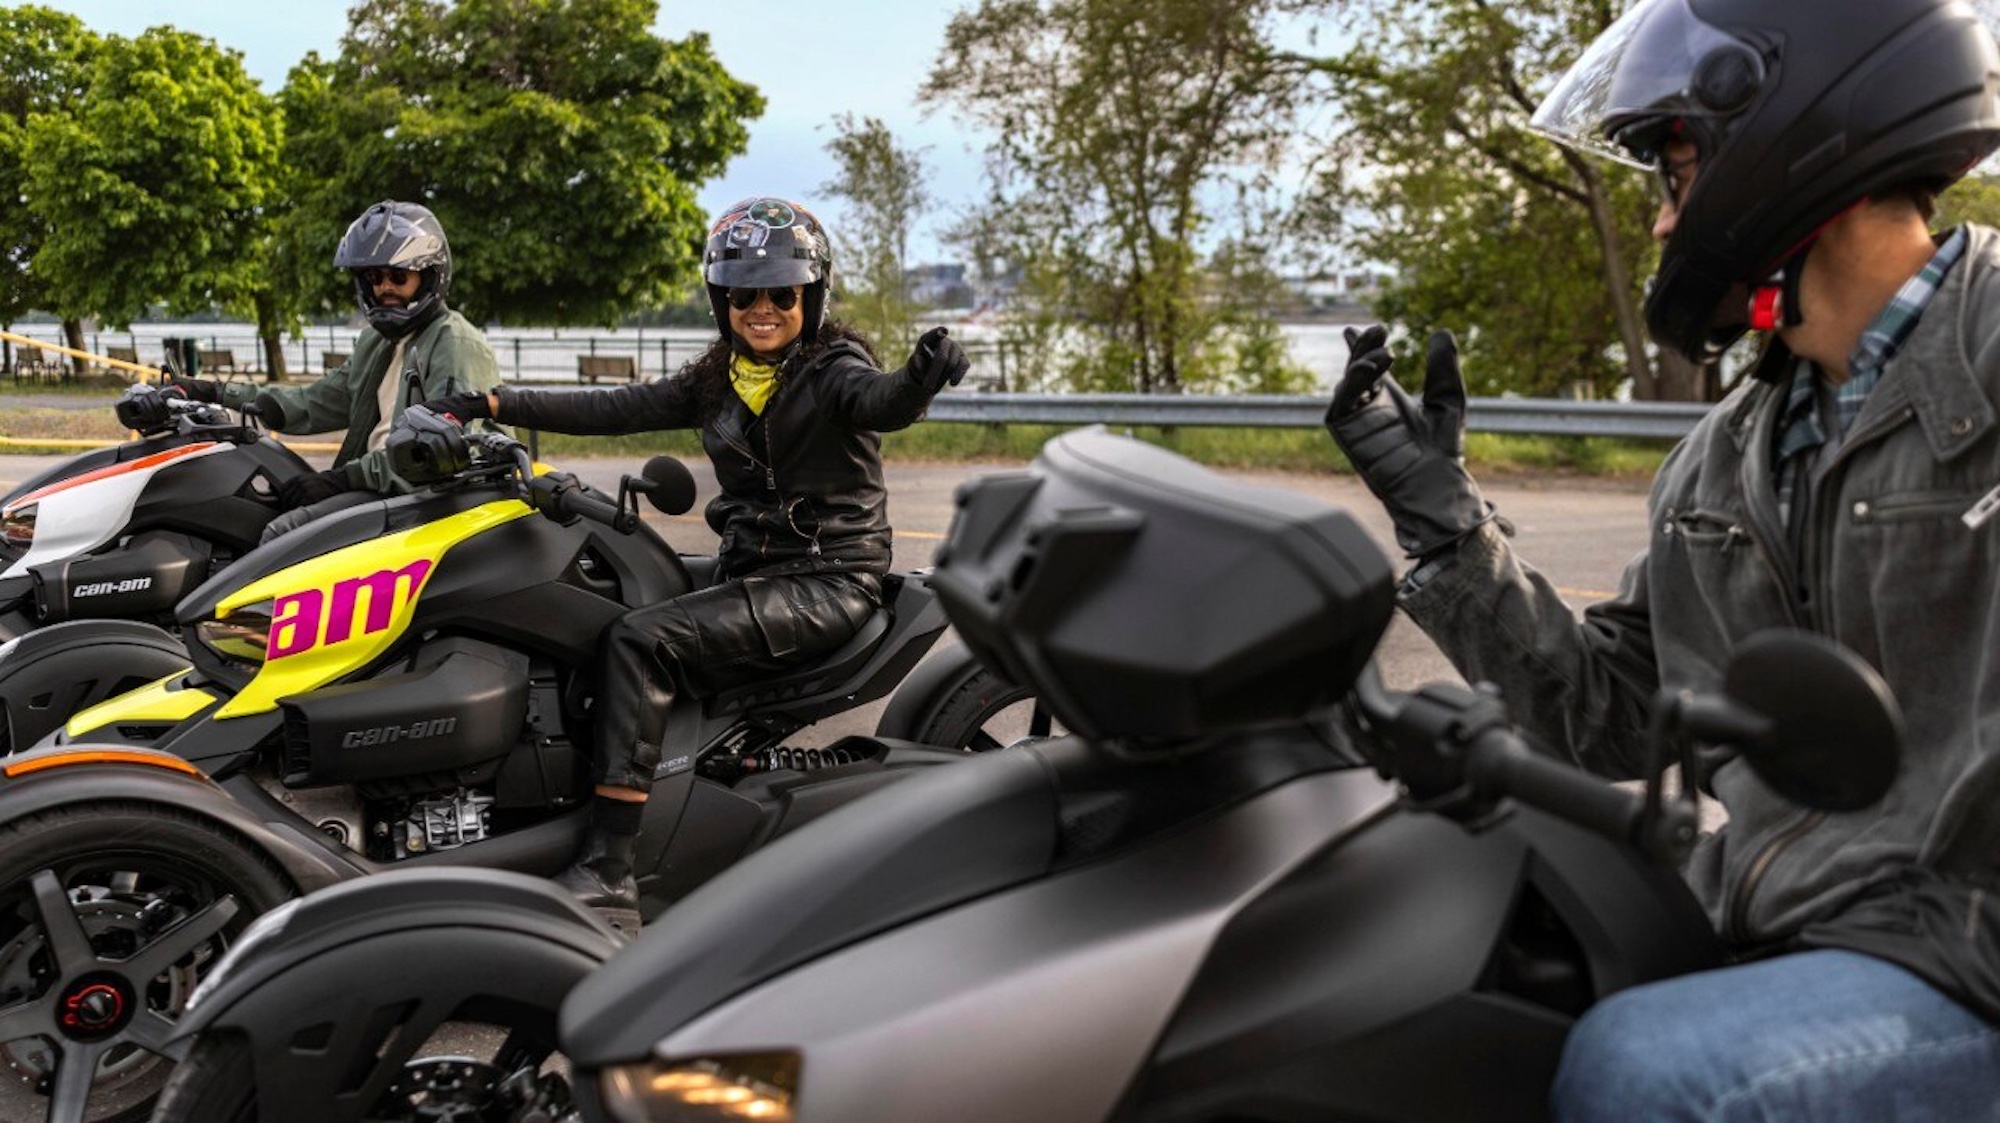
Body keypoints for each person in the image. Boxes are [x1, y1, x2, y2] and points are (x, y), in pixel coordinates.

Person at [1325, 0, 2000, 1117]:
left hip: (1964, 954)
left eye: (1673, 173)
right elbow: (1611, 712)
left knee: (1650, 1074)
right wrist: (1443, 521)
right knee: (1430, 967)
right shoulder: (1722, 458)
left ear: (1795, 135)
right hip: (1783, 924)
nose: (1658, 226)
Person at [413, 196, 968, 920]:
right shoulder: (717, 380)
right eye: (744, 294)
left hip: (825, 580)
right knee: (604, 593)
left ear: (811, 296)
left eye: (781, 293)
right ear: (721, 300)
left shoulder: (834, 370)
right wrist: (486, 401)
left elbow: (881, 400)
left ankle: (610, 863)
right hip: (753, 568)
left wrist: (920, 378)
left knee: (640, 642)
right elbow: (612, 408)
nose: (761, 308)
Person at [165, 200, 500, 525]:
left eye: (399, 276)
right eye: (375, 277)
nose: (385, 287)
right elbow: (310, 404)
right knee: (246, 507)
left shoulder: (455, 345)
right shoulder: (378, 342)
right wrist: (214, 392)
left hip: (429, 502)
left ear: (430, 276)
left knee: (284, 531)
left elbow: (442, 453)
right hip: (383, 490)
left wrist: (340, 480)